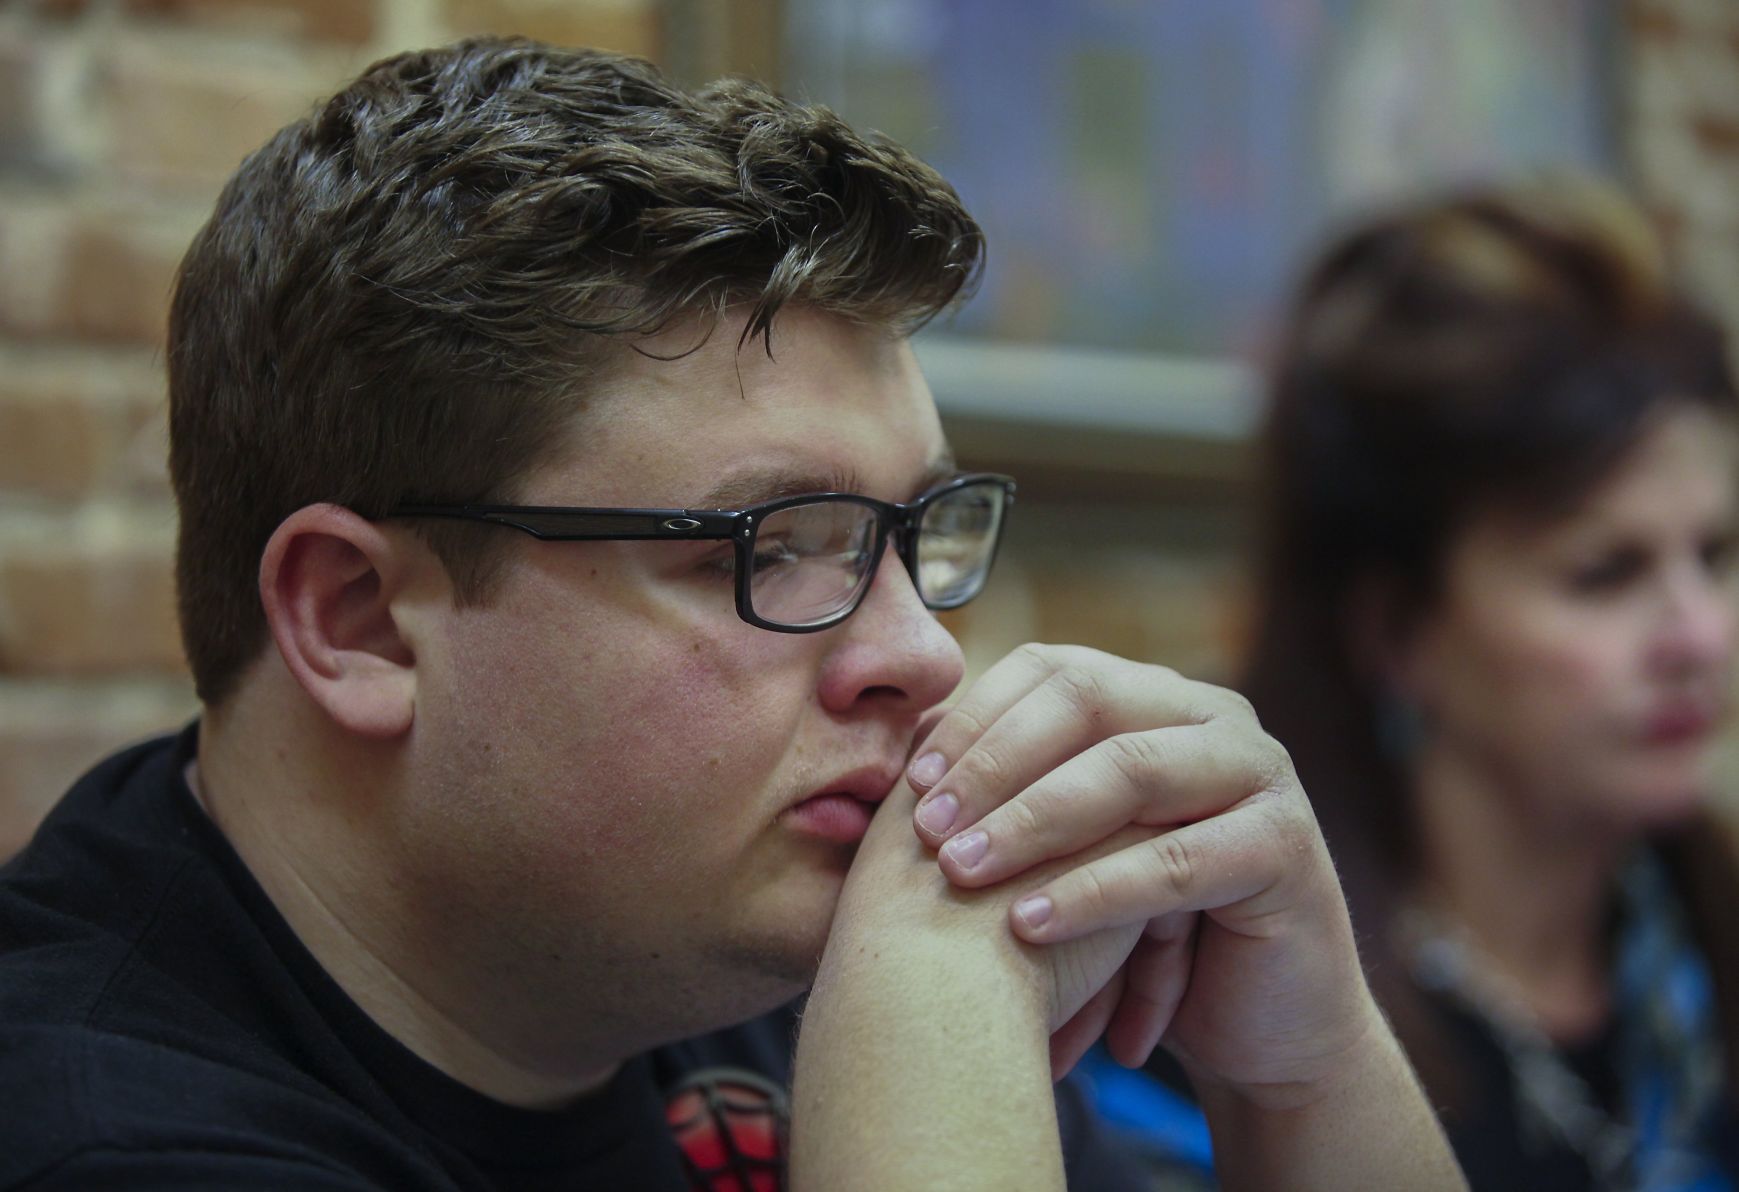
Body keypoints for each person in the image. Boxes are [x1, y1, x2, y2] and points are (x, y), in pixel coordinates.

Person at [0, 39, 1463, 1191]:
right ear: (363, 621)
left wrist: (1304, 1075)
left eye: (910, 535)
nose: (922, 655)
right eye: (773, 545)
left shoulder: (715, 938)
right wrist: (928, 1017)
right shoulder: (98, 1135)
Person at [1095, 180, 1739, 1190]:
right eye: (1603, 573)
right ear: (1397, 631)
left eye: (1714, 554)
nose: (1699, 634)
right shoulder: (1209, 1033)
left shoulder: (1696, 947)